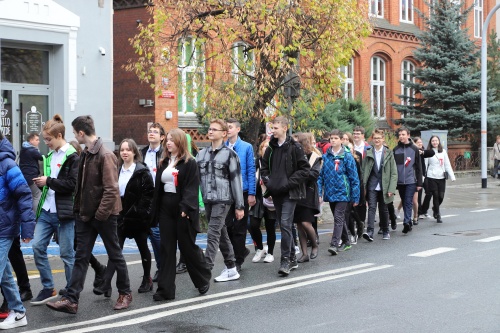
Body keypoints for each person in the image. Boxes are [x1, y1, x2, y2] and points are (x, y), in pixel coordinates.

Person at [47, 115, 132, 314]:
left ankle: (125, 293)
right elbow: (82, 187)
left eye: (76, 133)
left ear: (82, 133)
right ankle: (71, 300)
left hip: (104, 216)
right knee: (81, 257)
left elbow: (111, 190)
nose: (75, 136)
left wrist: (99, 216)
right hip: (85, 215)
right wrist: (80, 212)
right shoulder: (86, 153)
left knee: (115, 255)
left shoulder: (105, 154)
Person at [151, 128, 211, 300]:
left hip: (182, 210)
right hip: (165, 210)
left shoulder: (189, 163)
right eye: (167, 140)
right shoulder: (163, 162)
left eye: (172, 140)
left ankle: (202, 279)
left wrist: (186, 207)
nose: (168, 142)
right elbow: (159, 189)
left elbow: (192, 187)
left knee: (187, 247)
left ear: (180, 142)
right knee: (167, 249)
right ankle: (165, 290)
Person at [94, 139, 154, 297]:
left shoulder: (142, 171)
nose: (125, 152)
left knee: (143, 248)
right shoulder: (116, 169)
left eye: (128, 150)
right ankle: (106, 283)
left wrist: (139, 214)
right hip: (120, 218)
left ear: (134, 152)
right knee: (115, 250)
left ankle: (147, 279)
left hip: (138, 218)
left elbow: (148, 196)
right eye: (122, 150)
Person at [31, 115, 78, 305]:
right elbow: (53, 184)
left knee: (67, 255)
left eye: (48, 139)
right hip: (46, 209)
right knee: (36, 247)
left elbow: (72, 185)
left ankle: (71, 293)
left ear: (59, 136)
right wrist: (44, 183)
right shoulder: (50, 156)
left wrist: (47, 181)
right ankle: (48, 287)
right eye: (44, 139)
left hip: (64, 213)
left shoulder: (73, 156)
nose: (45, 142)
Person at [261, 116, 310, 276]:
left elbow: (304, 169)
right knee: (284, 226)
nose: (272, 131)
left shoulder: (295, 147)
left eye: (275, 128)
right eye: (272, 128)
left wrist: (288, 183)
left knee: (285, 223)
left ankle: (285, 261)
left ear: (284, 128)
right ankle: (293, 259)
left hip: (290, 193)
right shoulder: (271, 148)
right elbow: (264, 168)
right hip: (276, 193)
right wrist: (269, 183)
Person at [196, 119, 245, 282]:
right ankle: (231, 267)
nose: (210, 131)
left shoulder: (230, 155)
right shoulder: (201, 154)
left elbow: (236, 180)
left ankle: (206, 269)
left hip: (223, 200)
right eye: (209, 129)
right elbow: (195, 178)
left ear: (223, 134)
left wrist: (239, 206)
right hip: (208, 199)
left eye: (214, 129)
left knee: (213, 232)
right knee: (221, 232)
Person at [0, 131, 35, 329]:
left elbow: (24, 195)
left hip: (4, 228)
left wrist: (27, 228)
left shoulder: (8, 165)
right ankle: (19, 312)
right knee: (4, 274)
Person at [318, 129, 360, 255]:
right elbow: (320, 177)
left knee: (338, 217)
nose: (333, 140)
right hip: (330, 192)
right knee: (339, 218)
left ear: (342, 140)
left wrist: (355, 196)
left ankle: (334, 244)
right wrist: (319, 192)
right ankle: (347, 241)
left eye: (336, 138)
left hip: (343, 192)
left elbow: (354, 178)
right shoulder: (326, 157)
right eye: (331, 138)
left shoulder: (347, 156)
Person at [224, 118, 256, 272]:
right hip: (226, 193)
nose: (228, 129)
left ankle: (238, 259)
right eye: (226, 127)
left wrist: (252, 193)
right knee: (227, 226)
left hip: (242, 192)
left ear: (237, 129)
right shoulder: (222, 147)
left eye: (230, 127)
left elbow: (250, 169)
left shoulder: (246, 147)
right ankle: (241, 250)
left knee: (240, 226)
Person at [361, 129, 397, 241]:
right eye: (375, 138)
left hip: (385, 186)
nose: (377, 140)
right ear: (372, 139)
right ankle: (370, 231)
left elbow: (394, 173)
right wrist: (363, 186)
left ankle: (385, 231)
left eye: (379, 138)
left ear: (383, 139)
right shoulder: (368, 152)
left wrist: (391, 188)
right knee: (371, 208)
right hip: (372, 185)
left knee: (384, 209)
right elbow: (364, 170)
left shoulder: (389, 153)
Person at [141, 123, 165, 281]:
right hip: (144, 197)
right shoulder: (142, 152)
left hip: (160, 197)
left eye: (155, 132)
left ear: (162, 137)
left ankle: (162, 267)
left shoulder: (165, 153)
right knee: (145, 234)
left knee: (156, 233)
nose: (152, 134)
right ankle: (148, 273)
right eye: (150, 131)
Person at [293, 133, 321, 262]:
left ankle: (314, 245)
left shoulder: (315, 157)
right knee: (299, 224)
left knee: (306, 222)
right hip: (296, 192)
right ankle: (304, 253)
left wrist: (299, 173)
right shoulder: (294, 156)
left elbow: (314, 174)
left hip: (308, 193)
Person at [249, 139, 277, 263]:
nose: (266, 148)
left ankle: (270, 252)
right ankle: (259, 248)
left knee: (270, 226)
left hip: (271, 197)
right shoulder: (257, 162)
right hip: (259, 197)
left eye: (268, 146)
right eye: (264, 146)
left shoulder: (276, 161)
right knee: (252, 224)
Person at [420, 135, 456, 223]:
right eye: (433, 141)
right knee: (435, 195)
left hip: (441, 177)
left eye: (436, 141)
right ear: (430, 142)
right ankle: (438, 214)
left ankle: (434, 208)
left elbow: (447, 164)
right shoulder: (428, 152)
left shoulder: (443, 152)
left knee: (441, 196)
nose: (435, 142)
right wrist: (423, 178)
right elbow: (425, 165)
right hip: (431, 176)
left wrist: (452, 176)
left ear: (439, 142)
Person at [393, 127, 422, 234]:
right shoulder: (396, 150)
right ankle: (408, 221)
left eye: (403, 134)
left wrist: (419, 183)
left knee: (408, 200)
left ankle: (406, 222)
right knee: (404, 200)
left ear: (408, 136)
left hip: (411, 180)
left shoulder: (414, 149)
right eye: (400, 134)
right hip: (400, 182)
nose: (401, 136)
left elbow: (418, 167)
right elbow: (394, 167)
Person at [18, 131, 42, 211]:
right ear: (31, 141)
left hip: (24, 177)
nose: (39, 142)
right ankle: (35, 216)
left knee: (29, 196)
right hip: (31, 177)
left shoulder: (23, 149)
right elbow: (42, 157)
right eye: (37, 140)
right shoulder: (32, 150)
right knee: (37, 195)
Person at [414, 137, 435, 220]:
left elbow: (431, 153)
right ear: (414, 143)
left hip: (424, 175)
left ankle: (424, 210)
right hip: (417, 176)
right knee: (418, 195)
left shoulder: (422, 151)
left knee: (429, 192)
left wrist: (422, 152)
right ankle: (419, 212)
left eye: (421, 142)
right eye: (418, 142)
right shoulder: (413, 151)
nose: (420, 143)